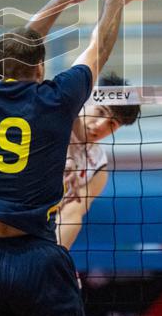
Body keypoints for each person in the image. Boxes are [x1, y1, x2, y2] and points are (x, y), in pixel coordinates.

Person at [0, 0, 144, 316]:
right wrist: (113, 0)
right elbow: (99, 47)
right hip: (36, 257)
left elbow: (19, 48)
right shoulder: (58, 100)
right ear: (42, 69)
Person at [57, 72, 141, 250]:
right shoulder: (55, 117)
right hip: (17, 212)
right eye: (100, 111)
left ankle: (49, 262)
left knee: (74, 209)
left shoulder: (98, 167)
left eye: (112, 124)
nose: (100, 126)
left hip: (48, 229)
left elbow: (73, 213)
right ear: (88, 100)